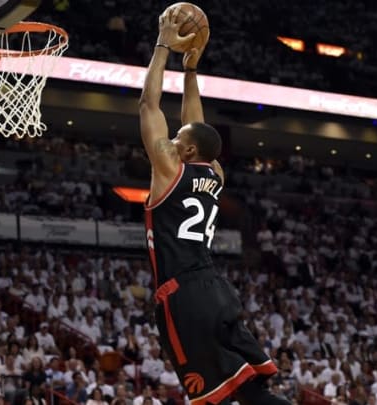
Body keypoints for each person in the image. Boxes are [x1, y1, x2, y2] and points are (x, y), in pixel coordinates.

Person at [138, 6, 289, 405]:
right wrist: (190, 71)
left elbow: (148, 107)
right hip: (216, 288)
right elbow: (196, 126)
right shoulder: (215, 173)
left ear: (185, 151)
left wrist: (162, 48)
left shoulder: (169, 169)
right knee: (250, 390)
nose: (168, 140)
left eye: (176, 139)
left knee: (209, 397)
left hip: (184, 295)